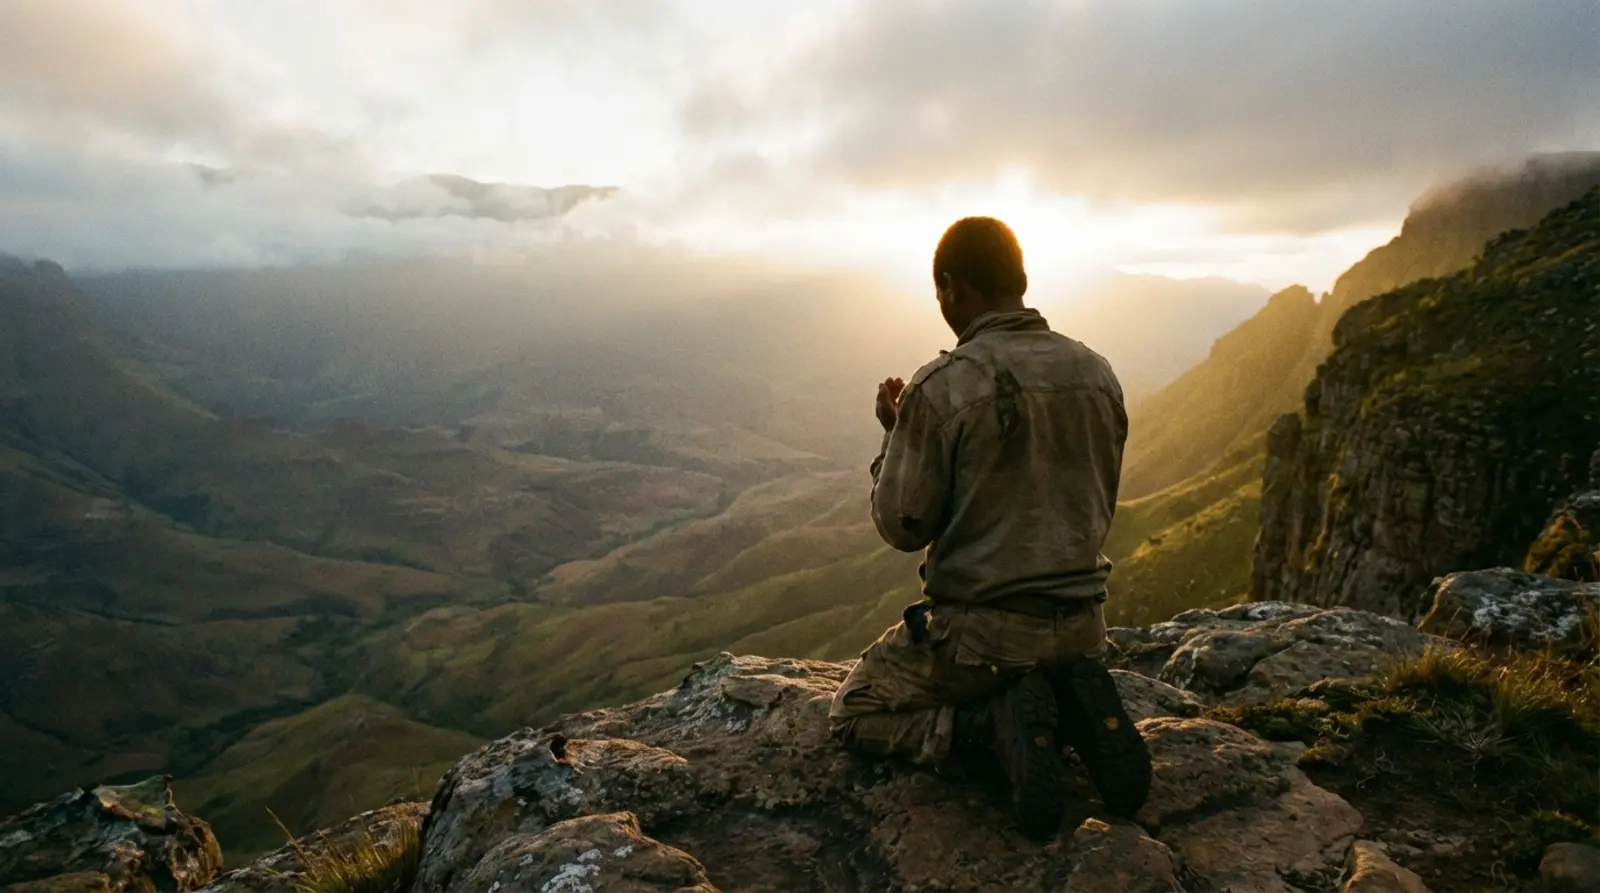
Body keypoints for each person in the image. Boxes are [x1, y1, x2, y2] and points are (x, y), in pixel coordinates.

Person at [828, 216, 1151, 837]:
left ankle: (987, 727)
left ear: (950, 287)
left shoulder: (944, 385)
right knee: (1052, 659)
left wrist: (898, 432)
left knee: (854, 710)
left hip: (986, 638)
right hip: (1084, 624)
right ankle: (1072, 708)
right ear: (1021, 279)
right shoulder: (1097, 373)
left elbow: (903, 524)